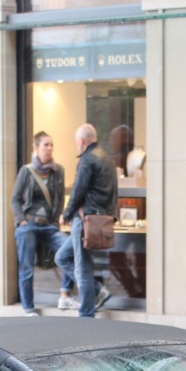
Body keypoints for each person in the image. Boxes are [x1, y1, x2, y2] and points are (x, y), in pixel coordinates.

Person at [10, 130, 74, 315]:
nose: (49, 148)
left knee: (70, 249)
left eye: (51, 145)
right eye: (46, 145)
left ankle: (65, 296)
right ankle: (28, 308)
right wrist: (20, 220)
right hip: (28, 224)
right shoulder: (26, 171)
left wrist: (56, 222)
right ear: (36, 147)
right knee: (26, 266)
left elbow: (60, 199)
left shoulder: (58, 170)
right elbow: (15, 199)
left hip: (49, 225)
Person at [58, 123, 117, 317]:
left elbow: (77, 191)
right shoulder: (108, 159)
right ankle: (98, 290)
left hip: (84, 222)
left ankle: (86, 315)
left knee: (82, 268)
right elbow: (114, 192)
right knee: (62, 257)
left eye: (77, 142)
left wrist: (66, 214)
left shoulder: (86, 159)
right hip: (100, 222)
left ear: (82, 142)